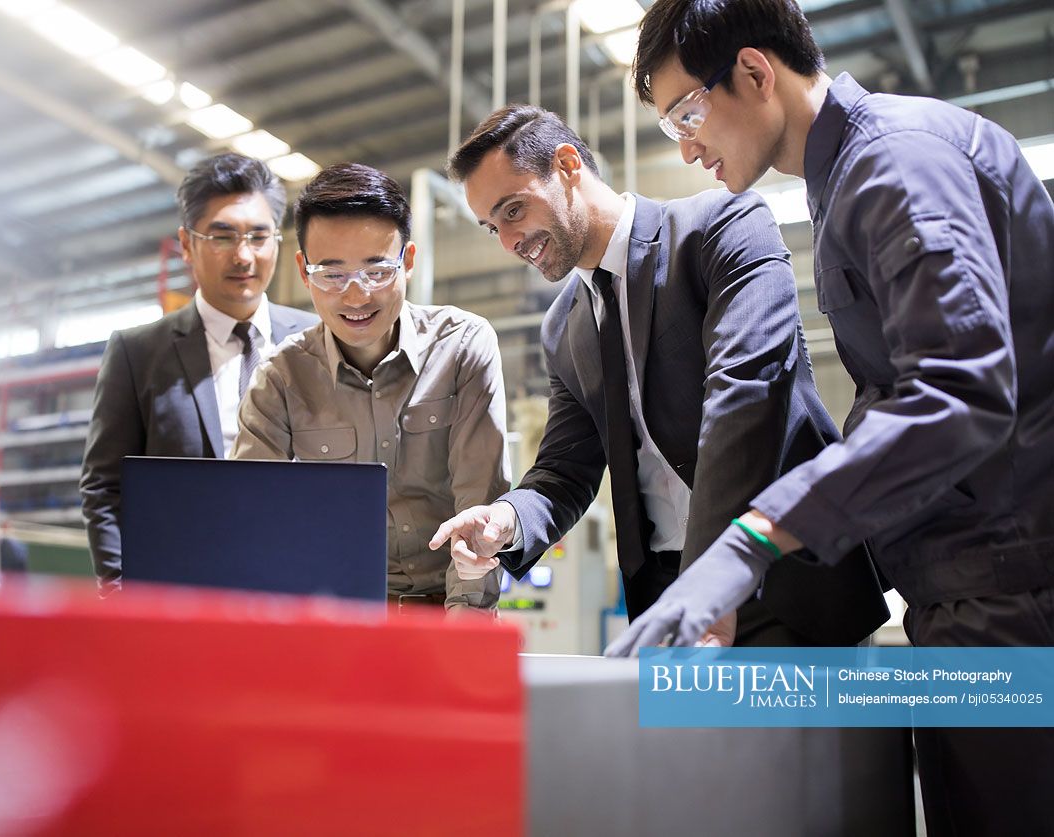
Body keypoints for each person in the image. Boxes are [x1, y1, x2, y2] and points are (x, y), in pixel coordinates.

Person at [621, 0, 1054, 832]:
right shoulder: (847, 178)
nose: (684, 144)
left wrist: (755, 536)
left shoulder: (893, 164)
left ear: (753, 72)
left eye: (686, 111)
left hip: (1014, 596)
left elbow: (957, 390)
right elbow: (892, 401)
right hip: (967, 592)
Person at [432, 105, 886, 645]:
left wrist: (709, 581)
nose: (509, 242)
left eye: (513, 210)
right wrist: (506, 520)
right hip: (664, 596)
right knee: (677, 735)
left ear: (569, 165)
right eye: (492, 228)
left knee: (810, 732)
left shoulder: (722, 225)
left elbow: (745, 400)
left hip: (782, 579)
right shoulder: (564, 327)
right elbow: (565, 470)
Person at [232, 163, 509, 614]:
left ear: (409, 261)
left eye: (378, 271)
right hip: (335, 619)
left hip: (448, 609)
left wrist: (463, 636)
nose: (357, 297)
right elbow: (257, 526)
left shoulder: (461, 347)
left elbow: (480, 509)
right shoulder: (279, 380)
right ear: (304, 271)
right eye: (332, 274)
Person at [80, 153, 318, 591]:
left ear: (278, 244)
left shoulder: (318, 340)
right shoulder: (136, 353)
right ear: (187, 245)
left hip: (295, 587)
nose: (244, 255)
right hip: (178, 591)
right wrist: (118, 591)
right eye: (222, 237)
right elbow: (105, 488)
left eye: (258, 236)